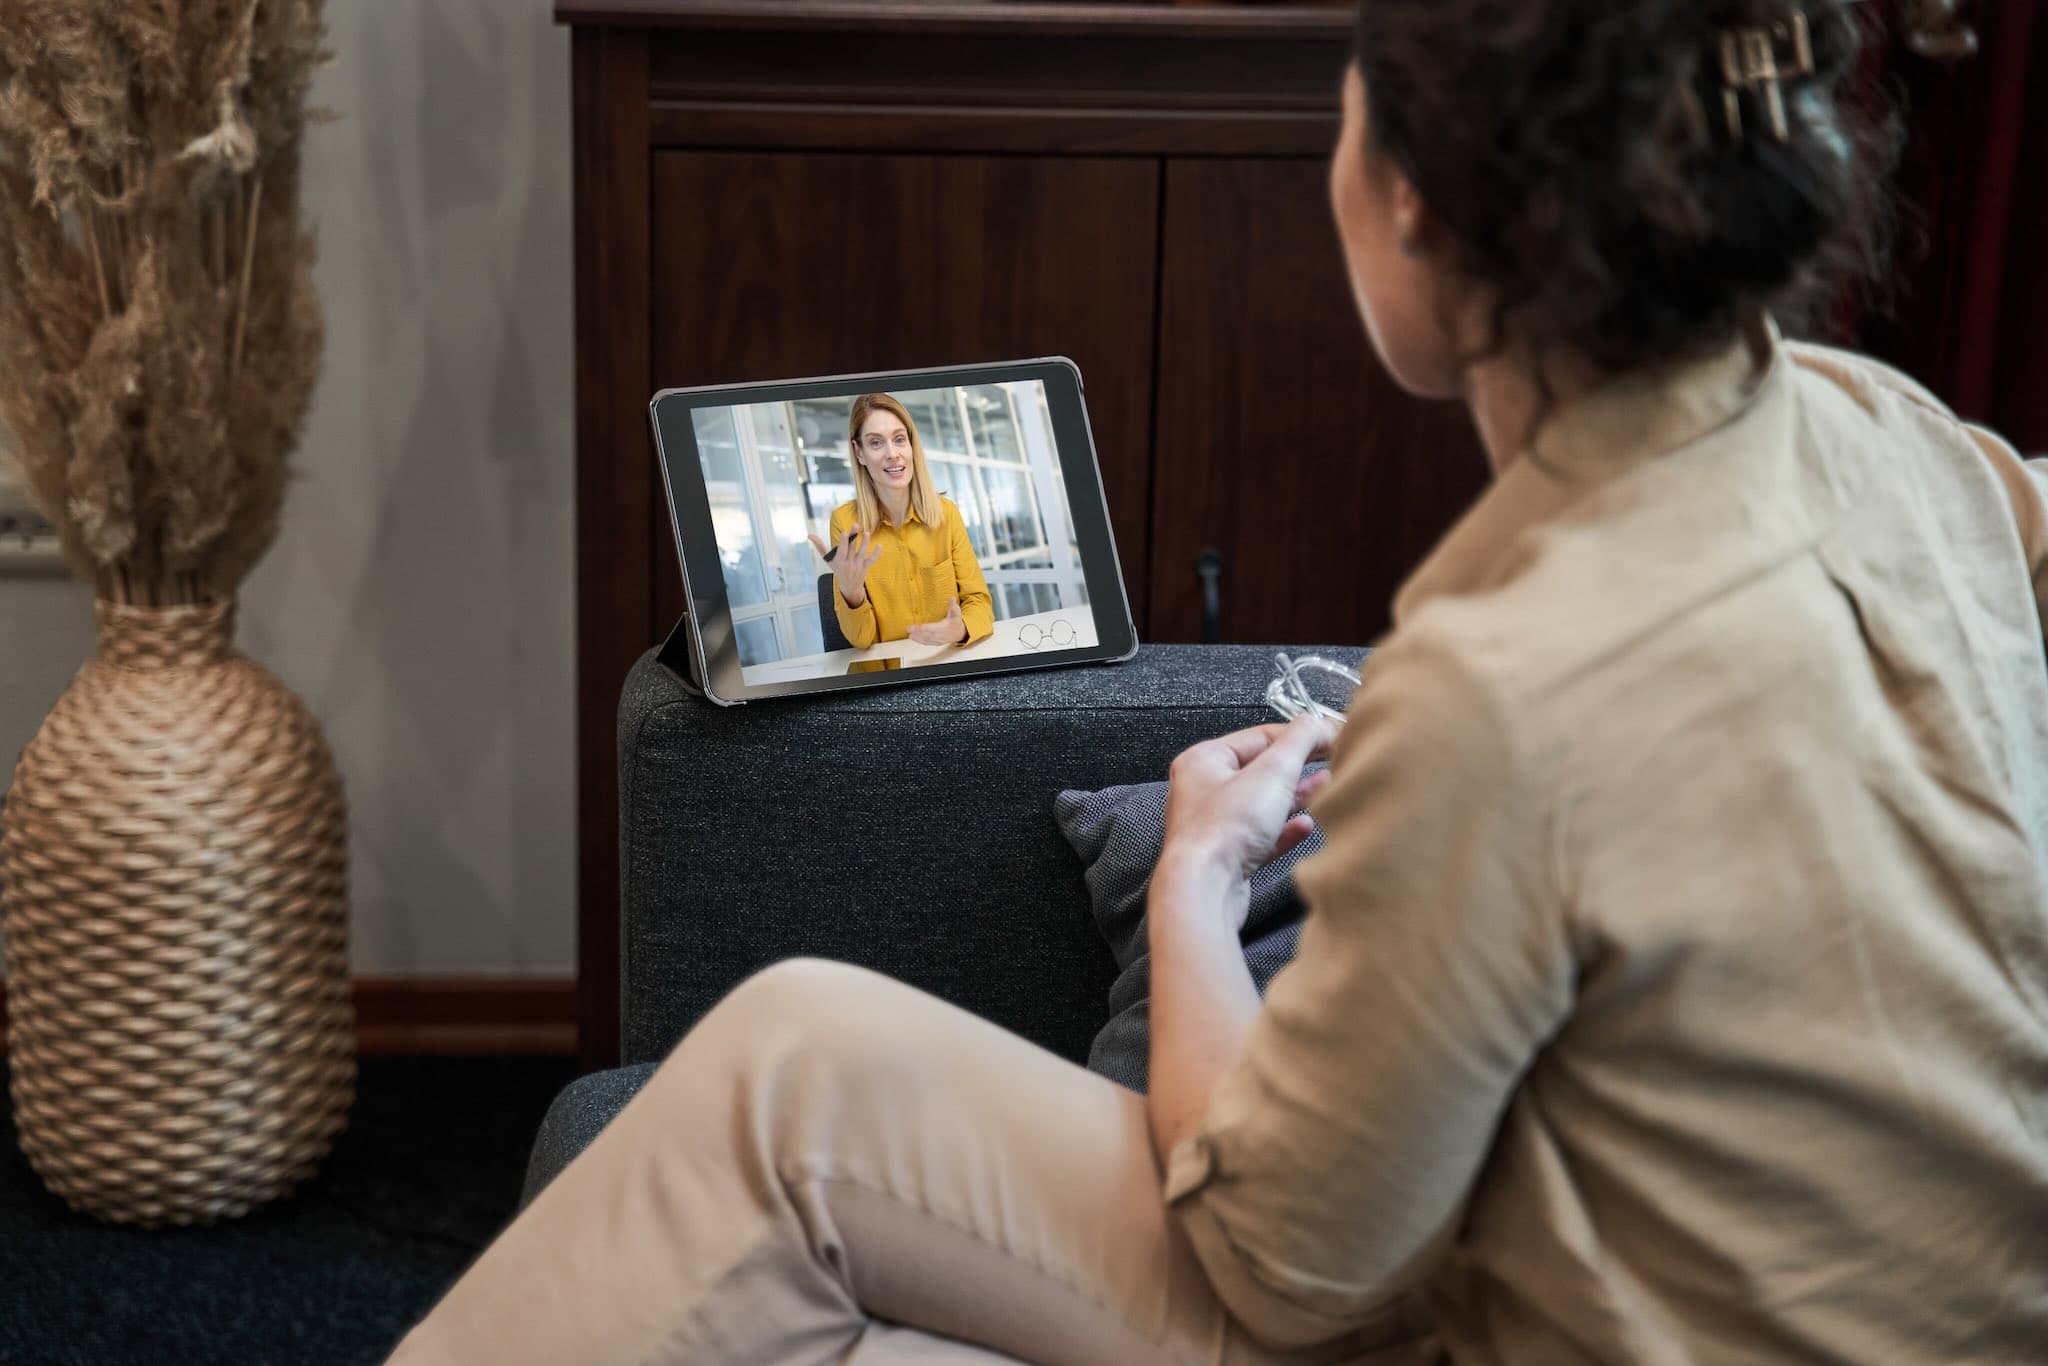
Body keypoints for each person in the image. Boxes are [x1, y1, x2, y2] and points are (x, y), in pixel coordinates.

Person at [388, 1, 2048, 1361]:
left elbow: (1284, 1261)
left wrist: (1194, 875)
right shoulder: (1905, 444)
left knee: (788, 1077)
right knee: (813, 1129)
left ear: (1411, 205)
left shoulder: (1501, 677)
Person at [808, 392, 995, 652]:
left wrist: (960, 627)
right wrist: (852, 593)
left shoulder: (946, 513)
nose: (892, 454)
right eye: (876, 443)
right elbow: (861, 640)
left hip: (948, 657)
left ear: (911, 446)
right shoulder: (845, 522)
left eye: (899, 439)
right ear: (858, 452)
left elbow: (979, 602)